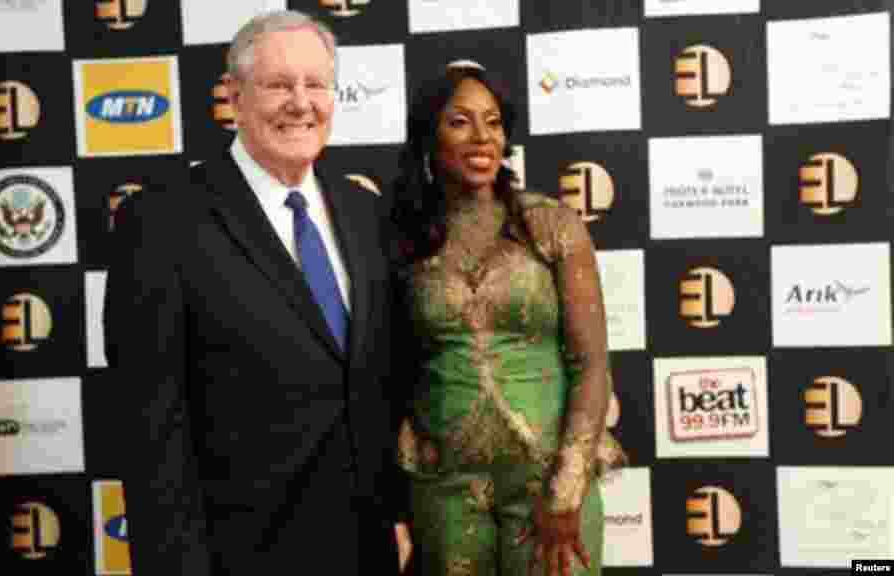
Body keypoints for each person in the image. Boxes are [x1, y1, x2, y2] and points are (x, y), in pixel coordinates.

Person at [103, 10, 405, 574]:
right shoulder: (162, 221)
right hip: (238, 555)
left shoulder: (365, 212)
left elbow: (377, 382)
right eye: (278, 85)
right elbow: (149, 427)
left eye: (316, 84)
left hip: (366, 551)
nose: (301, 102)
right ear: (234, 98)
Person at [389, 63, 627, 576]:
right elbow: (389, 365)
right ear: (428, 136)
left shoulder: (549, 223)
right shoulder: (402, 236)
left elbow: (591, 363)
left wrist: (566, 489)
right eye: (460, 122)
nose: (482, 138)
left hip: (547, 483)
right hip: (443, 491)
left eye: (493, 122)